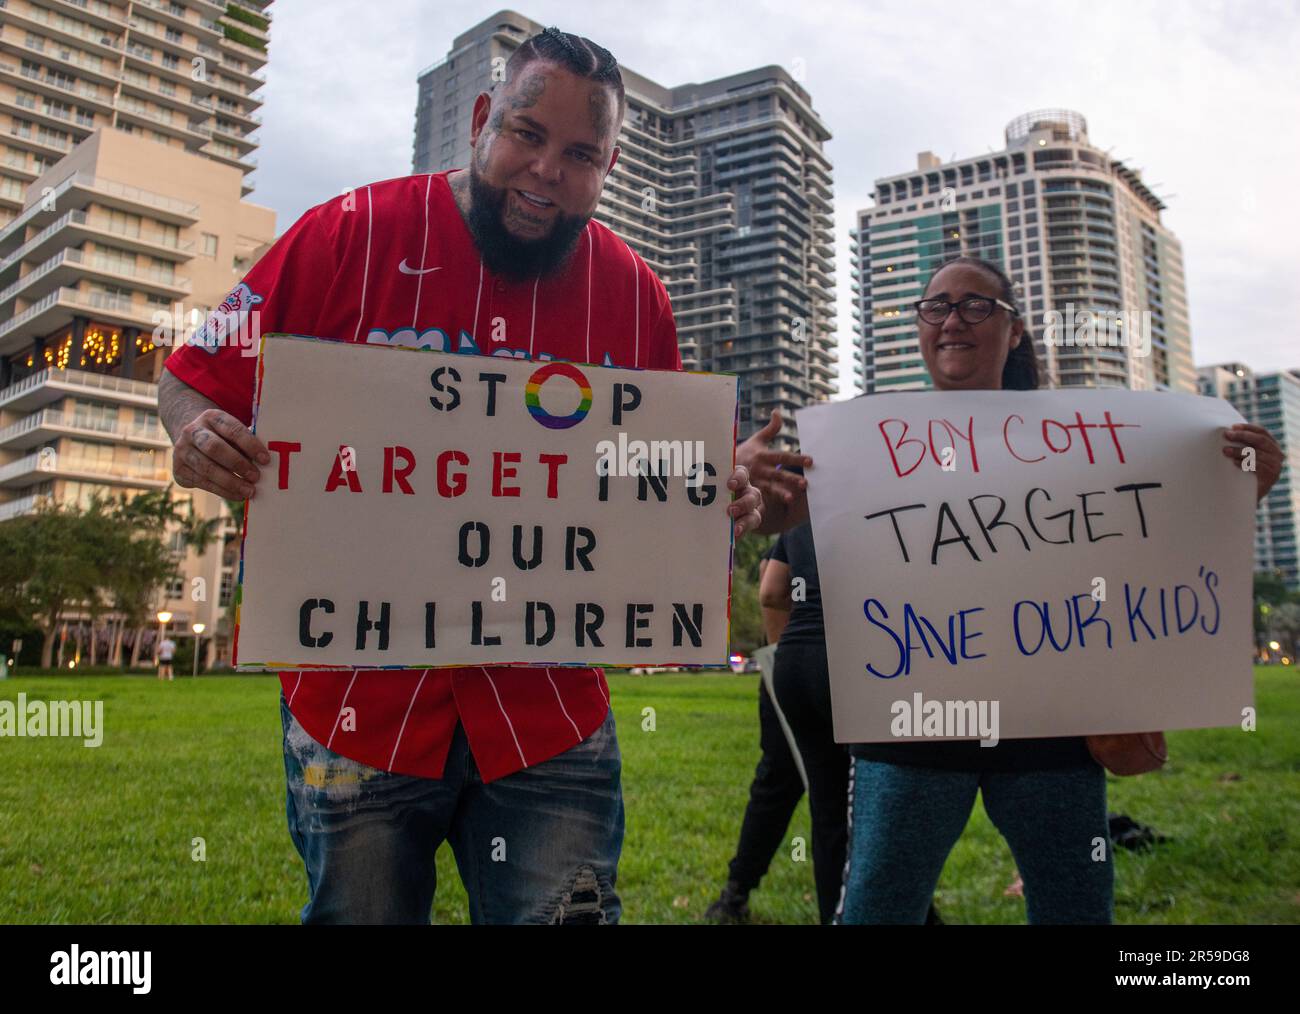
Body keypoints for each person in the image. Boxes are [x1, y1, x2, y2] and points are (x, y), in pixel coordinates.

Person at [157, 26, 763, 925]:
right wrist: (197, 435)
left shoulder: (638, 296)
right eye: (526, 134)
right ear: (482, 120)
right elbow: (190, 375)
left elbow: (669, 478)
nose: (547, 171)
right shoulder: (345, 233)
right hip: (354, 705)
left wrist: (722, 496)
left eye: (581, 154)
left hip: (551, 711)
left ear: (610, 165)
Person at [741, 255, 1282, 924]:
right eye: (935, 306)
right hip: (911, 725)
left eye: (976, 305)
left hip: (1049, 726)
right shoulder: (871, 444)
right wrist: (743, 485)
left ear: (1015, 330)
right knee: (879, 909)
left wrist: (1242, 482)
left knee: (1076, 909)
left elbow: (1165, 531)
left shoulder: (1088, 444)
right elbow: (777, 520)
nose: (952, 320)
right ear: (918, 327)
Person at [706, 544, 806, 924]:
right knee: (856, 791)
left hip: (789, 663)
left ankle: (735, 893)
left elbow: (770, 580)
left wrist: (781, 662)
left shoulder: (804, 513)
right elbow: (770, 588)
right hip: (823, 662)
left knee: (776, 784)